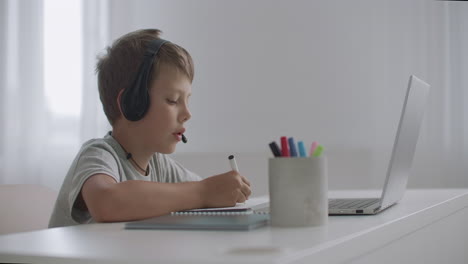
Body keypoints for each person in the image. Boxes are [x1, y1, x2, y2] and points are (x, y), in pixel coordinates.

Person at [49, 29, 251, 227]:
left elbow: (202, 193)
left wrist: (223, 191)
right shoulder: (98, 154)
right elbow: (107, 202)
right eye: (173, 100)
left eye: (187, 100)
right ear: (132, 103)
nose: (187, 114)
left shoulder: (159, 165)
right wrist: (204, 192)